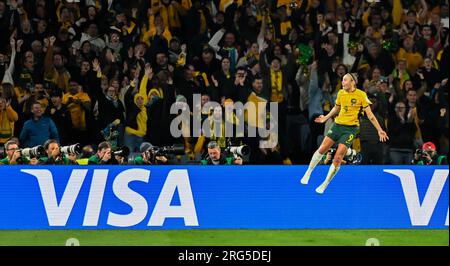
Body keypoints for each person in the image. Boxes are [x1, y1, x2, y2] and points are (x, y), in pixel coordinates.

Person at [300, 73, 389, 194]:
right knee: (322, 149)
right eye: (342, 80)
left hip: (350, 129)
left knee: (337, 157)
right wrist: (325, 118)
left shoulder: (361, 95)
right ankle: (308, 172)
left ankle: (324, 184)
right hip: (337, 126)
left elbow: (370, 115)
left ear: (353, 82)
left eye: (345, 80)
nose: (343, 82)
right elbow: (336, 108)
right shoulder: (341, 93)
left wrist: (379, 130)